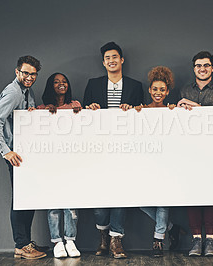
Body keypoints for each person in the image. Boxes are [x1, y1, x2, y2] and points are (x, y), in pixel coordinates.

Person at [82, 41, 143, 259]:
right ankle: (103, 237)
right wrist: (90, 109)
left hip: (125, 149)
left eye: (115, 57)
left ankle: (117, 240)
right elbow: (84, 115)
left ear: (122, 60)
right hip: (99, 150)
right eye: (107, 58)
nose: (111, 61)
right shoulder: (93, 84)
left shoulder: (135, 86)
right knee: (99, 197)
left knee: (121, 195)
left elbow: (143, 116)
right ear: (103, 62)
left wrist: (134, 109)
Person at [0, 55, 47, 259]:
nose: (30, 77)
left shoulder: (26, 91)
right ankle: (21, 245)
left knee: (27, 198)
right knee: (20, 200)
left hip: (24, 153)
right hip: (15, 155)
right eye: (26, 73)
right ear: (17, 72)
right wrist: (6, 151)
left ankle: (25, 242)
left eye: (33, 74)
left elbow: (18, 118)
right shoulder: (13, 93)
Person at [177, 51, 213, 257]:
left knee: (210, 195)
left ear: (212, 68)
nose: (202, 69)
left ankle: (210, 242)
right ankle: (196, 240)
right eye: (198, 66)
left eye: (206, 65)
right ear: (194, 68)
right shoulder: (184, 89)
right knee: (192, 195)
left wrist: (194, 107)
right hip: (189, 150)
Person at [133, 66, 183, 257]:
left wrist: (174, 111)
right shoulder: (142, 110)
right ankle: (171, 227)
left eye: (162, 90)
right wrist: (135, 112)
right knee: (141, 202)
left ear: (167, 91)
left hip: (168, 162)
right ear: (149, 90)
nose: (158, 93)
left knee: (163, 203)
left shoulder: (171, 110)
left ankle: (158, 241)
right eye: (155, 89)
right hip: (147, 163)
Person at [37, 73, 81, 258]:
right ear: (50, 86)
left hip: (72, 162)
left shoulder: (75, 106)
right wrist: (35, 114)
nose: (61, 84)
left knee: (71, 205)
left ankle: (70, 240)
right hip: (51, 164)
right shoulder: (42, 108)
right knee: (54, 204)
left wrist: (83, 112)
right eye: (56, 82)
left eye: (64, 81)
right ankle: (57, 242)